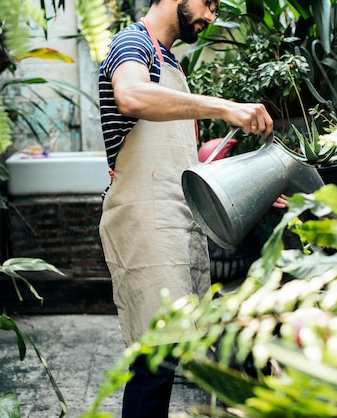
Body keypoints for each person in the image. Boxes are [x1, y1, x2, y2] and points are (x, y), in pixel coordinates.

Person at [98, 0, 284, 416]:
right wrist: (223, 106)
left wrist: (251, 188)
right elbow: (129, 95)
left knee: (168, 355)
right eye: (208, 3)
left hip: (175, 216)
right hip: (146, 219)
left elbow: (181, 165)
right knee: (154, 361)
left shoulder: (170, 62)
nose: (212, 15)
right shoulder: (132, 43)